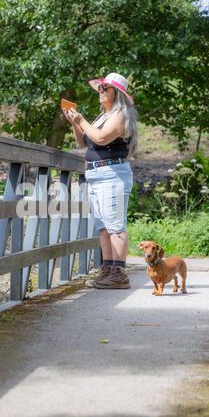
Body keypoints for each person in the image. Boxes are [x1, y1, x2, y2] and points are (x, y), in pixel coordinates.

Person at [62, 72, 139, 289]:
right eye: (100, 88)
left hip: (112, 173)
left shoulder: (120, 116)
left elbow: (101, 138)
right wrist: (75, 123)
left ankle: (119, 273)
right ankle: (108, 269)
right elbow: (83, 143)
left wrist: (81, 120)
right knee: (104, 227)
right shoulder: (102, 117)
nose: (101, 91)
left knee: (115, 227)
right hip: (98, 174)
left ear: (117, 93)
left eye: (105, 88)